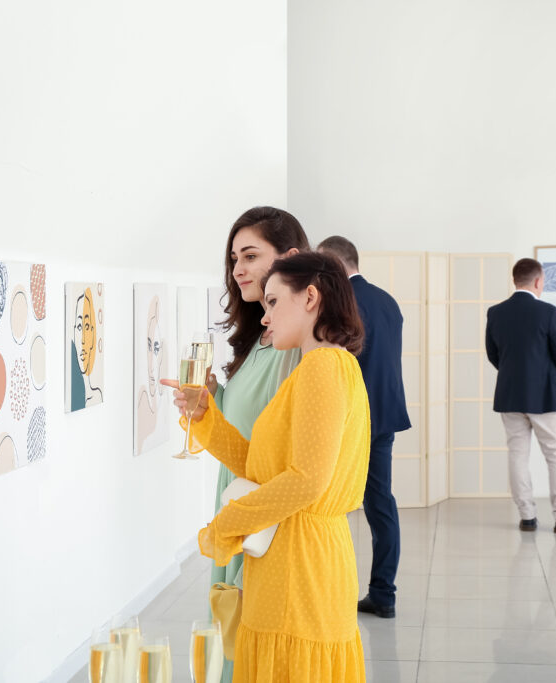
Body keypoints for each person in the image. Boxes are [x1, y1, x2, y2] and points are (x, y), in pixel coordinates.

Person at [170, 251, 370, 683]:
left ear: (311, 297)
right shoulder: (324, 367)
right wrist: (205, 417)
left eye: (274, 303)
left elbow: (306, 482)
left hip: (300, 568)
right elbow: (266, 468)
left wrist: (226, 525)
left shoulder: (321, 367)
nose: (265, 318)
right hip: (298, 561)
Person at [204, 206, 309, 681]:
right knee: (231, 641)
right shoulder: (261, 339)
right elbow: (245, 421)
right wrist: (210, 399)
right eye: (233, 259)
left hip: (264, 518)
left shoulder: (295, 347)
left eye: (250, 256)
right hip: (237, 497)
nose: (238, 269)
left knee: (251, 653)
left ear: (289, 259)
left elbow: (287, 451)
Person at [317, 236, 410, 619]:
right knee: (380, 504)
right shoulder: (388, 301)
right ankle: (383, 593)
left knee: (327, 505)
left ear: (337, 265)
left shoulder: (339, 304)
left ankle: (329, 591)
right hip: (384, 416)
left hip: (349, 417)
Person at [484, 258, 556, 533]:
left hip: (508, 395)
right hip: (543, 395)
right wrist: (551, 381)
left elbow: (493, 354)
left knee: (517, 454)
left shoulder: (495, 312)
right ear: (539, 281)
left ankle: (527, 516)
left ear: (514, 280)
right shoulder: (548, 312)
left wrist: (512, 375)